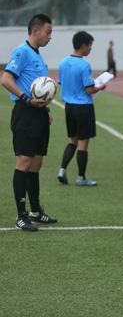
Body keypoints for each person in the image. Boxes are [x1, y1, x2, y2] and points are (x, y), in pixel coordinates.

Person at [1, 13, 58, 231]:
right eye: (48, 32)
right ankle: (21, 216)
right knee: (24, 163)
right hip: (25, 113)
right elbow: (6, 79)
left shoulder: (38, 56)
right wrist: (26, 99)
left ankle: (35, 211)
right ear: (36, 30)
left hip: (39, 114)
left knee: (36, 164)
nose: (50, 36)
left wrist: (46, 109)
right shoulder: (21, 52)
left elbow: (37, 88)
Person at [57, 31, 107, 187]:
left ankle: (62, 170)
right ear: (84, 45)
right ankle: (81, 177)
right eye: (90, 45)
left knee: (72, 141)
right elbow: (89, 90)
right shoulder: (84, 65)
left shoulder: (63, 62)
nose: (91, 48)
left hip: (69, 107)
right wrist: (100, 87)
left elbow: (62, 83)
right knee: (83, 144)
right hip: (83, 108)